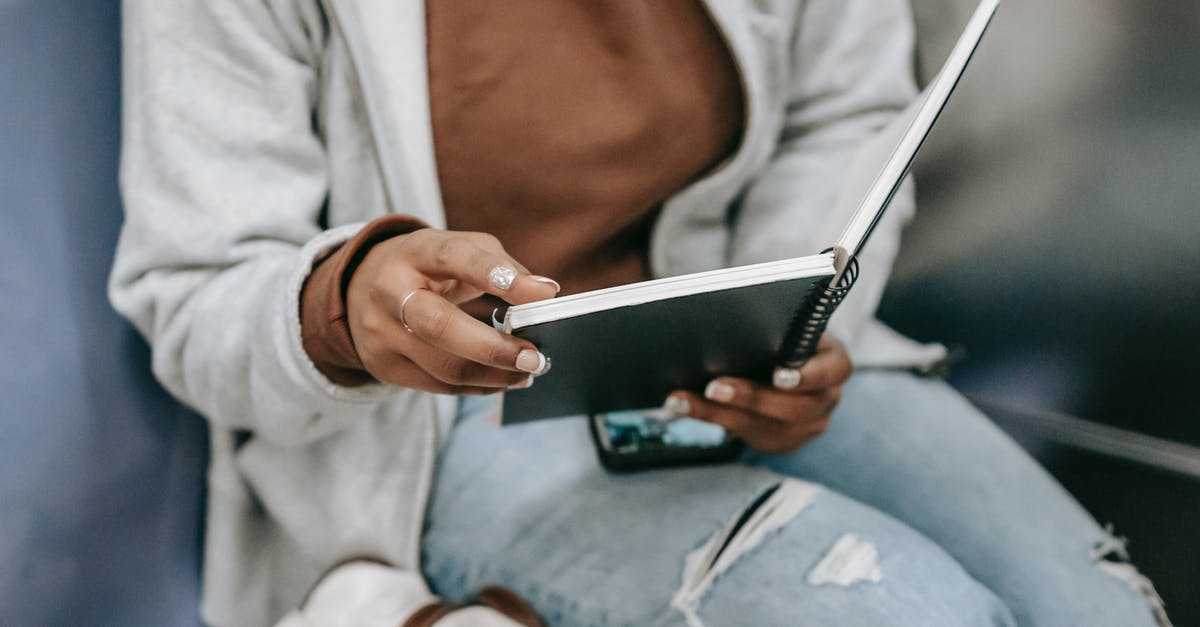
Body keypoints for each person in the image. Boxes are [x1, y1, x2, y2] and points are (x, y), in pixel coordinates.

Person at [110, 0, 1169, 625]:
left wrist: (782, 327)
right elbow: (197, 293)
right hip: (441, 426)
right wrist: (348, 305)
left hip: (713, 356)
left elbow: (842, 111)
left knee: (1106, 608)